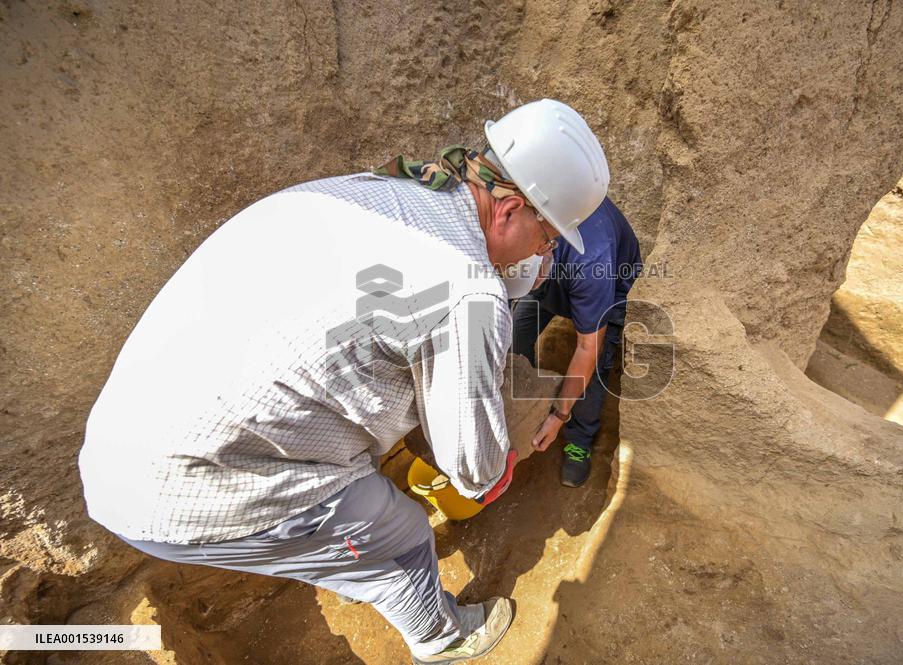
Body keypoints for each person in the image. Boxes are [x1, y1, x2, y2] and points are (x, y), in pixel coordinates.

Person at [78, 99, 610, 664]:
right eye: (547, 237)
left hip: (129, 433)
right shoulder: (469, 294)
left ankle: (343, 555)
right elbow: (472, 467)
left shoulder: (382, 189)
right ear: (507, 212)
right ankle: (441, 636)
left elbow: (394, 312)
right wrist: (497, 464)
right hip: (183, 485)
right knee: (401, 534)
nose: (545, 253)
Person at [512, 197, 642, 487]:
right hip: (550, 277)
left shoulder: (591, 261)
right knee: (515, 337)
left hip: (611, 289)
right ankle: (531, 402)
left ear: (546, 252)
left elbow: (587, 348)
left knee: (593, 371)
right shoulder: (518, 226)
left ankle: (579, 440)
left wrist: (560, 414)